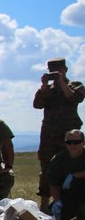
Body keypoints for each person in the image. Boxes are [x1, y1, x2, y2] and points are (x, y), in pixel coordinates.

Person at [33, 58, 84, 210]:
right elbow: (37, 104)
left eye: (58, 70)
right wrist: (44, 85)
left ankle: (72, 203)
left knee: (73, 166)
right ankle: (44, 204)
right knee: (47, 168)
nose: (55, 73)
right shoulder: (47, 90)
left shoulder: (75, 85)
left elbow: (73, 97)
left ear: (65, 69)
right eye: (52, 71)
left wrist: (61, 81)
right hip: (49, 134)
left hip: (70, 136)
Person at [48, 129, 85, 220]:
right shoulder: (58, 159)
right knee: (57, 216)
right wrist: (57, 201)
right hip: (70, 194)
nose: (72, 145)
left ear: (83, 143)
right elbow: (54, 183)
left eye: (76, 142)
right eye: (69, 142)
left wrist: (76, 175)